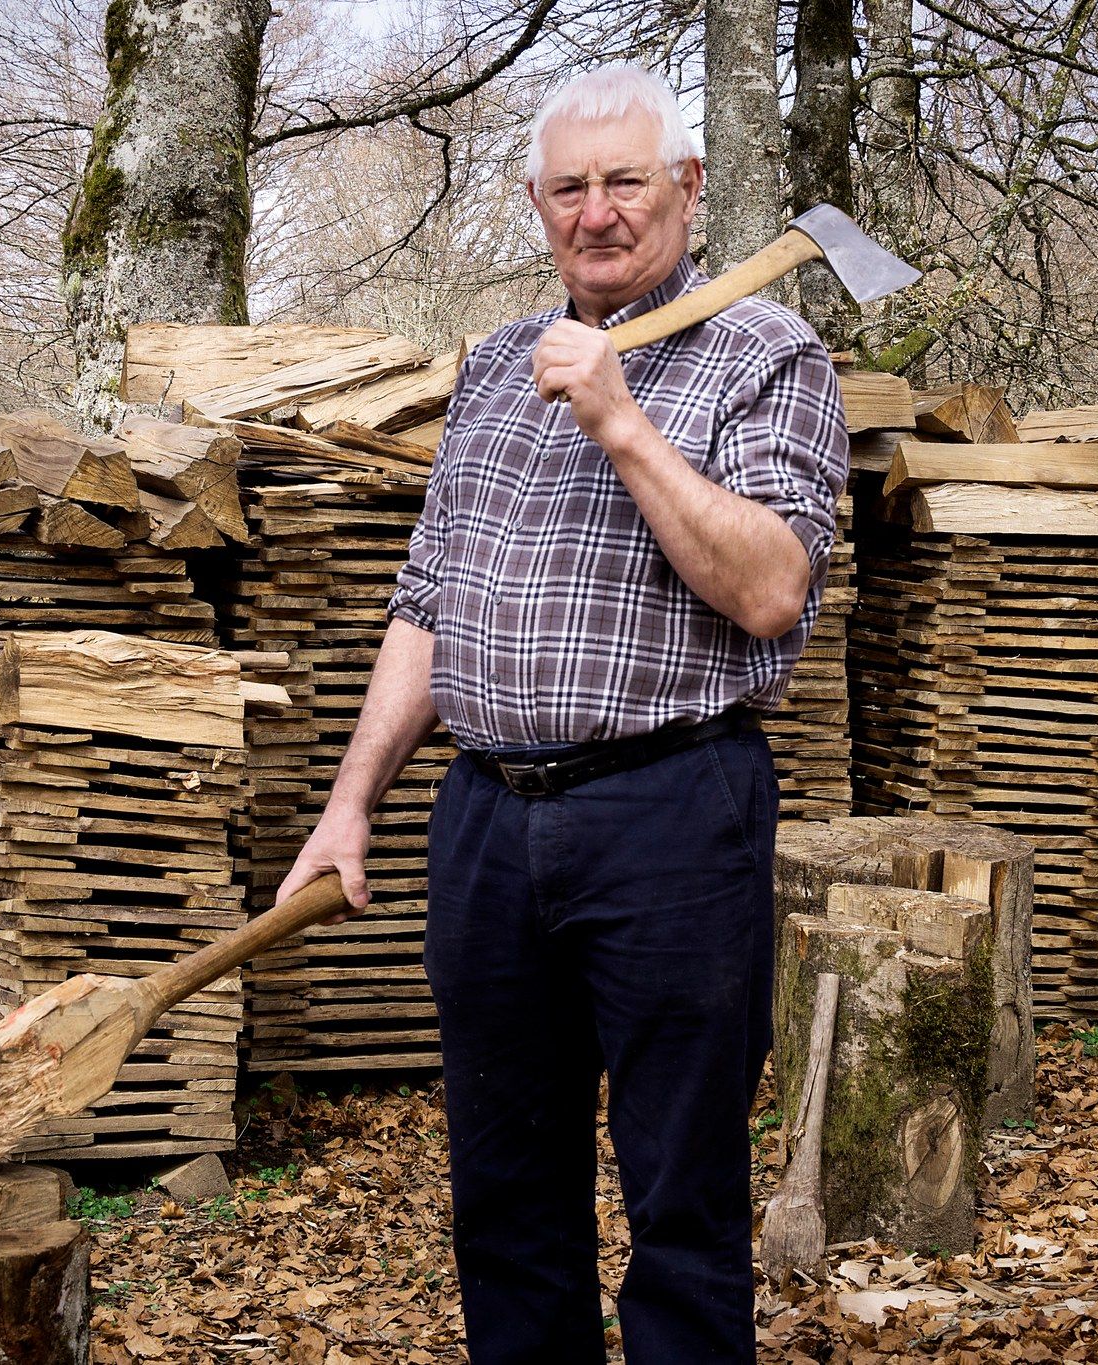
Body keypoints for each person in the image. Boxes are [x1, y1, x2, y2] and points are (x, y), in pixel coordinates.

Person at [276, 63, 849, 1364]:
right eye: (570, 187)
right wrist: (351, 801)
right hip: (486, 825)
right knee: (507, 1204)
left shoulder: (772, 356)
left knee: (679, 1206)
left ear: (688, 189)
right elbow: (431, 597)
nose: (598, 212)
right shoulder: (491, 368)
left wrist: (619, 414)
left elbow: (770, 591)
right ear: (538, 205)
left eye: (626, 181)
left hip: (670, 815)